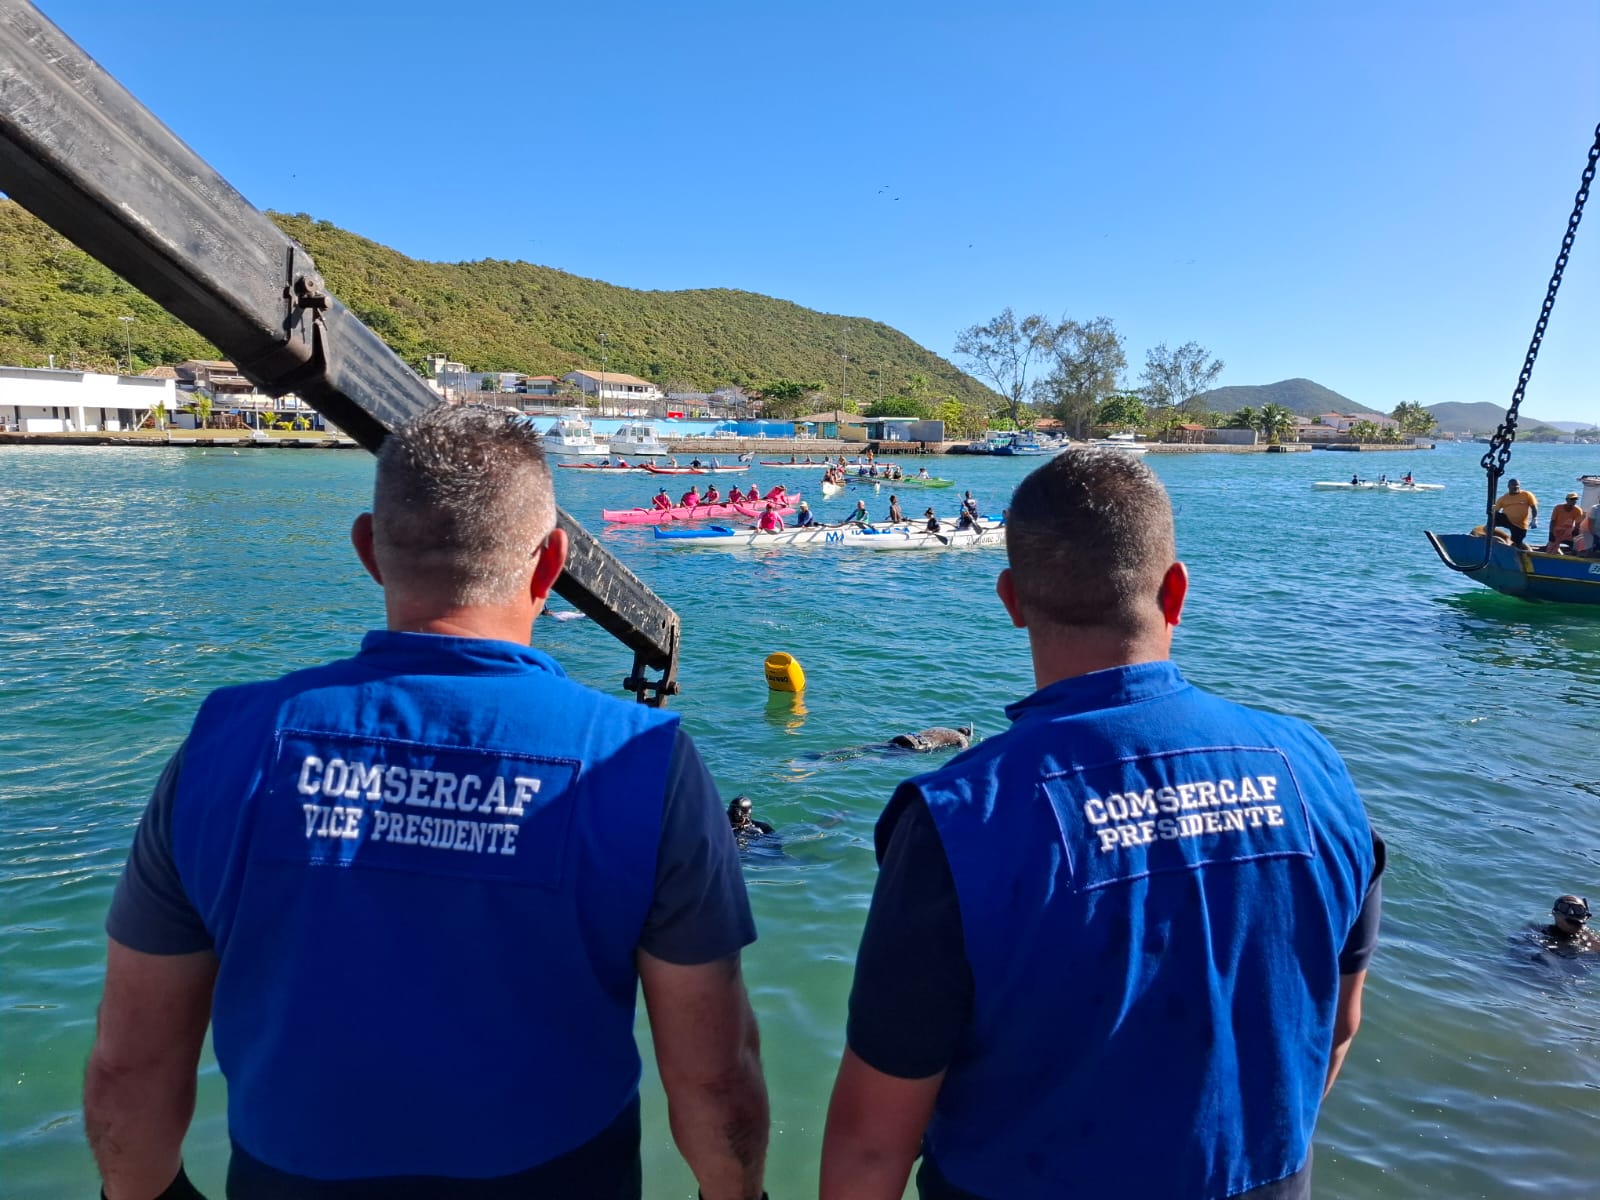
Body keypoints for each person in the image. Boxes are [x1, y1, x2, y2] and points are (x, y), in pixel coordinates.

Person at [86, 405, 769, 1200]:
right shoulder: (642, 759)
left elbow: (130, 1066)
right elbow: (716, 1080)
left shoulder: (222, 742)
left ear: (370, 551)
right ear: (551, 565)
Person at [822, 450, 1383, 1200]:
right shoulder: (1317, 769)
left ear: (1013, 599)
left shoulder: (957, 820)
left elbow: (870, 1146)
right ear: (1176, 591)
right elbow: (1339, 1028)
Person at [1492, 478, 1538, 546]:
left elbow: (1534, 508)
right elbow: (1495, 511)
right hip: (1507, 520)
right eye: (1513, 485)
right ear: (1508, 486)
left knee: (1516, 543)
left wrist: (1534, 519)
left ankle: (1525, 549)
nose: (1516, 487)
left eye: (1517, 485)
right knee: (1494, 516)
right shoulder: (1503, 498)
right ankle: (1489, 533)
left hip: (1520, 525)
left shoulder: (1527, 495)